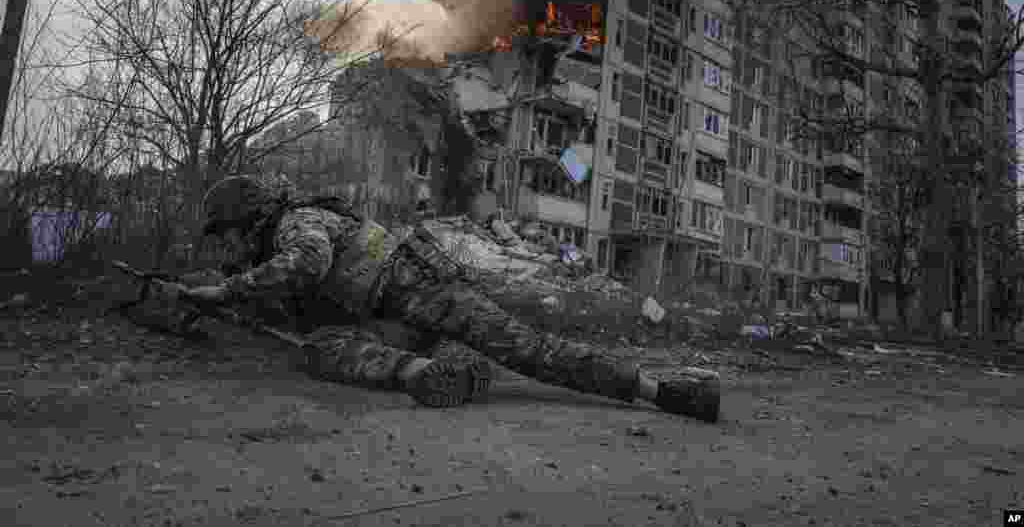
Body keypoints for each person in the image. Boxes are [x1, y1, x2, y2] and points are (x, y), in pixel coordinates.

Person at [152, 175, 720, 422]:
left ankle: (665, 390)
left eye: (226, 232)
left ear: (244, 217)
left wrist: (225, 291)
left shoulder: (297, 222)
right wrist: (213, 293)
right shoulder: (279, 233)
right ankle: (431, 371)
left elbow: (308, 264)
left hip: (428, 292)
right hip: (396, 313)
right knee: (322, 346)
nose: (230, 244)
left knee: (533, 351)